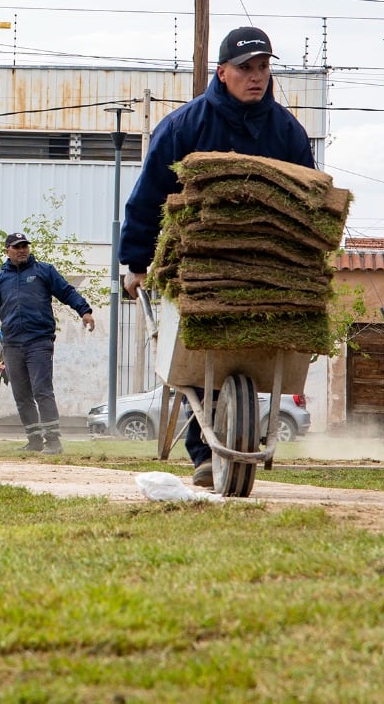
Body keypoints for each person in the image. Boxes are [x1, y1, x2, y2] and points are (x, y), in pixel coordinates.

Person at [118, 25, 314, 488]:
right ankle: (204, 452)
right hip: (197, 269)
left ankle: (235, 435)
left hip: (268, 274)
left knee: (245, 353)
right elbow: (149, 197)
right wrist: (137, 264)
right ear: (222, 72)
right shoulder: (185, 126)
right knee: (199, 353)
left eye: (264, 67)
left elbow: (311, 202)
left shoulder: (288, 133)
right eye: (246, 68)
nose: (257, 76)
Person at [0, 232, 95, 454]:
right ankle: (33, 441)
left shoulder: (44, 271)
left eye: (25, 246)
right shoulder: (0, 279)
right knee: (21, 394)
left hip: (39, 341)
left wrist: (84, 310)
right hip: (11, 344)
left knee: (42, 390)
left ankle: (53, 441)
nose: (22, 250)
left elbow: (66, 291)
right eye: (17, 247)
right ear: (7, 251)